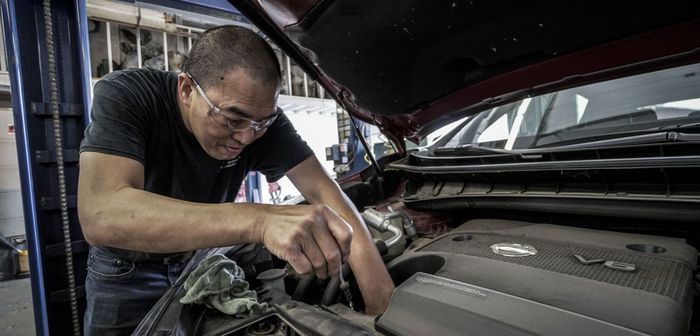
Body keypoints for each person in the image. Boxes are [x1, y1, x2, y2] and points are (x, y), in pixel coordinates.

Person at [77, 25, 394, 335]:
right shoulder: (131, 95)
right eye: (231, 119)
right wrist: (260, 221)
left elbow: (324, 190)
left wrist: (381, 302)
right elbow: (102, 214)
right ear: (187, 90)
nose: (245, 137)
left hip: (201, 263)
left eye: (261, 123)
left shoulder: (258, 124)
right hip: (125, 273)